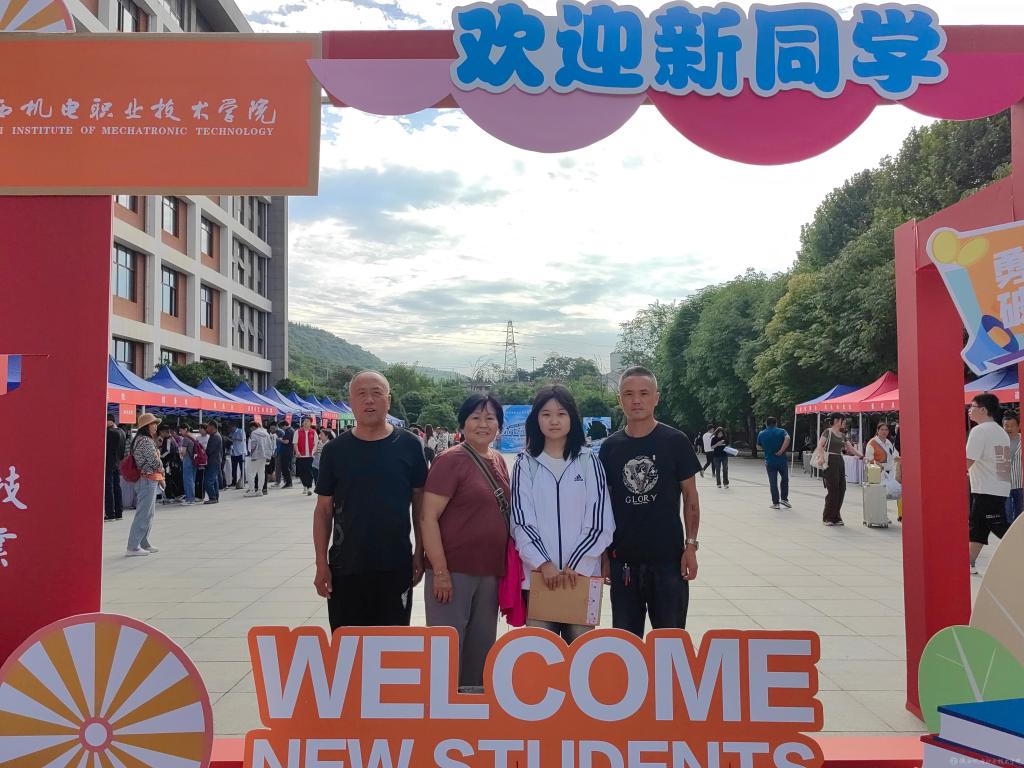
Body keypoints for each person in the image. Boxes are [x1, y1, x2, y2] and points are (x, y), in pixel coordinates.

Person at [313, 371, 428, 629]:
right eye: (361, 394)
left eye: (376, 393)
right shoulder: (334, 451)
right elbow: (323, 511)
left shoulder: (409, 445)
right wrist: (321, 563)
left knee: (393, 645)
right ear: (351, 402)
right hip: (346, 565)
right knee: (347, 646)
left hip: (395, 563)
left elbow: (420, 506)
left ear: (388, 400)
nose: (369, 400)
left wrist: (419, 552)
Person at [600, 366, 700, 638]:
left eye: (644, 393)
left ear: (656, 397)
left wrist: (691, 546)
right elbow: (603, 505)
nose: (636, 400)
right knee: (626, 645)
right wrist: (604, 555)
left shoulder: (675, 441)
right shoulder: (610, 448)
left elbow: (690, 497)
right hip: (624, 563)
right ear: (620, 399)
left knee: (670, 642)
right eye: (628, 394)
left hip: (668, 562)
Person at [511, 385, 614, 643]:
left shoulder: (589, 462)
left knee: (581, 653)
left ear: (572, 418)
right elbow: (521, 521)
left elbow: (601, 521)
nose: (554, 421)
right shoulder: (525, 463)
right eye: (546, 414)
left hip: (581, 576)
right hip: (538, 578)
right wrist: (543, 563)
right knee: (540, 654)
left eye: (561, 414)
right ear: (536, 419)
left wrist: (577, 563)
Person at [421, 394, 509, 686]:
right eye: (475, 417)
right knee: (446, 651)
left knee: (480, 650)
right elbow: (428, 517)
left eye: (490, 418)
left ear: (499, 426)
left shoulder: (498, 460)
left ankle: (472, 708)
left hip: (490, 572)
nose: (483, 424)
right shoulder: (450, 460)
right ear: (463, 424)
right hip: (453, 573)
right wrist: (440, 572)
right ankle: (441, 708)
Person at [968, 393, 1011, 574]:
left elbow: (968, 459)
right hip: (998, 487)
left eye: (972, 407)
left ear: (983, 410)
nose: (969, 410)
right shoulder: (1000, 431)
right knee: (978, 528)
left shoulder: (980, 431)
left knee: (1000, 528)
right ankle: (969, 563)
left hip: (986, 489)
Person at [126, 413, 164, 557]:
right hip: (147, 479)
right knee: (144, 514)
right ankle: (133, 546)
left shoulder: (141, 440)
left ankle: (143, 543)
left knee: (148, 514)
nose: (156, 426)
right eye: (153, 424)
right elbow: (154, 461)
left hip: (147, 479)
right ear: (146, 426)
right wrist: (161, 467)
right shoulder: (145, 441)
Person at [817, 413, 864, 526]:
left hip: (839, 461)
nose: (845, 422)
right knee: (833, 490)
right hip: (830, 460)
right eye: (843, 420)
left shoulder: (843, 435)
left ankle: (836, 516)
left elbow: (850, 448)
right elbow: (820, 445)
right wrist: (822, 457)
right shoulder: (827, 432)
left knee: (841, 489)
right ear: (837, 420)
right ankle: (827, 517)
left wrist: (862, 456)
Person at [757, 417, 791, 509]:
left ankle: (776, 503)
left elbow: (759, 446)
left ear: (766, 424)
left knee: (773, 482)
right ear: (776, 423)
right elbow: (788, 438)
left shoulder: (761, 433)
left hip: (769, 461)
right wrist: (781, 450)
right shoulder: (782, 431)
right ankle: (784, 499)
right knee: (785, 479)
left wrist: (767, 449)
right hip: (781, 460)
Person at [864, 422, 901, 499]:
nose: (884, 432)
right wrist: (877, 463)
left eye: (886, 430)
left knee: (887, 497)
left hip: (889, 474)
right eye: (882, 429)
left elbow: (892, 456)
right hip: (877, 474)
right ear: (877, 431)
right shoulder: (872, 443)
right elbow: (868, 459)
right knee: (878, 498)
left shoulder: (889, 442)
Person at [246, 421, 275, 497]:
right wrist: (269, 456)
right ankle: (260, 490)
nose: (251, 430)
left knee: (251, 473)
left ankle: (252, 490)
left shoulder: (254, 433)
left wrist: (251, 454)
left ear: (253, 427)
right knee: (261, 473)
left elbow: (253, 445)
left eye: (251, 428)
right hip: (264, 456)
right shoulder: (266, 433)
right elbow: (270, 445)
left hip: (255, 456)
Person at [1003, 411, 1023, 526]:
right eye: (1006, 425)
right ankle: (1009, 533)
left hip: (1020, 483)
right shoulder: (999, 441)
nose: (1009, 428)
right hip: (1004, 483)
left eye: (1012, 425)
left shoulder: (1022, 440)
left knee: (1020, 513)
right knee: (1007, 513)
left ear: (1018, 426)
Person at [105, 415, 125, 521]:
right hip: (117, 463)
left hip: (108, 464)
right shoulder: (122, 432)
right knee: (117, 488)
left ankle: (110, 513)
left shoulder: (109, 432)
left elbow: (106, 449)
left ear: (110, 421)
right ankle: (119, 512)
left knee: (109, 489)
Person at [294, 416, 318, 496]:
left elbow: (316, 443)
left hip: (310, 456)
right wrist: (297, 451)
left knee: (309, 472)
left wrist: (313, 452)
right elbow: (295, 443)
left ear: (311, 423)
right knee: (302, 472)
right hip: (301, 456)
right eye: (304, 421)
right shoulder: (298, 432)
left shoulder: (313, 432)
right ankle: (304, 485)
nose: (305, 422)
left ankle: (309, 487)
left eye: (307, 421)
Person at [177, 423, 198, 505]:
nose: (180, 432)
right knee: (192, 479)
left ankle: (190, 499)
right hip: (194, 460)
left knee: (187, 479)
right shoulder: (194, 436)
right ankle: (192, 497)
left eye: (181, 430)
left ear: (185, 429)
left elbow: (183, 452)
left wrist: (180, 452)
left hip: (188, 460)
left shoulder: (186, 438)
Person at [203, 421, 223, 505]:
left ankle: (212, 497)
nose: (206, 429)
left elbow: (209, 450)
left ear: (212, 427)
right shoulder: (215, 436)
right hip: (215, 461)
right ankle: (215, 497)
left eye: (207, 427)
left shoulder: (215, 437)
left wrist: (203, 452)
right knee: (214, 481)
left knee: (208, 481)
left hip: (213, 461)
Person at [276, 420, 294, 488]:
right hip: (289, 451)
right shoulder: (292, 430)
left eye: (281, 428)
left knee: (285, 467)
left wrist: (279, 439)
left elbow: (286, 441)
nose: (282, 429)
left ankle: (288, 482)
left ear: (284, 426)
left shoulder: (288, 431)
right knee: (287, 467)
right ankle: (288, 482)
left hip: (286, 452)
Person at [229, 421, 246, 489]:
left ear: (234, 426)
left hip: (240, 452)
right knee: (234, 468)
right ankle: (234, 481)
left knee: (242, 468)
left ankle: (243, 480)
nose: (230, 429)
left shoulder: (241, 431)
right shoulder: (231, 433)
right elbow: (231, 440)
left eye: (231, 427)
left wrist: (235, 439)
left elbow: (243, 439)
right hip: (234, 453)